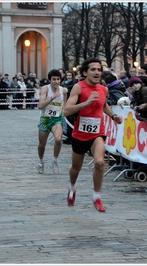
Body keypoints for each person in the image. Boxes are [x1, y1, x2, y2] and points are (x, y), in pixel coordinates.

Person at [63, 58, 123, 212]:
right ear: (85, 72)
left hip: (98, 133)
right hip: (80, 134)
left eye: (99, 70)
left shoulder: (103, 89)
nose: (97, 72)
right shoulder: (78, 88)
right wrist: (86, 103)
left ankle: (97, 196)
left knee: (100, 163)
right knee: (76, 169)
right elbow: (67, 110)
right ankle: (72, 187)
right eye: (93, 70)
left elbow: (104, 105)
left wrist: (113, 116)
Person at [37, 69, 68, 175]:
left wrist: (64, 111)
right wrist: (51, 98)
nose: (56, 82)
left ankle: (55, 159)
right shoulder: (45, 89)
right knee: (42, 144)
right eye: (54, 79)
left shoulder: (63, 90)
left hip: (57, 119)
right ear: (49, 80)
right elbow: (40, 106)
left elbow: (66, 105)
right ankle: (41, 161)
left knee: (58, 139)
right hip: (45, 119)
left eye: (58, 79)